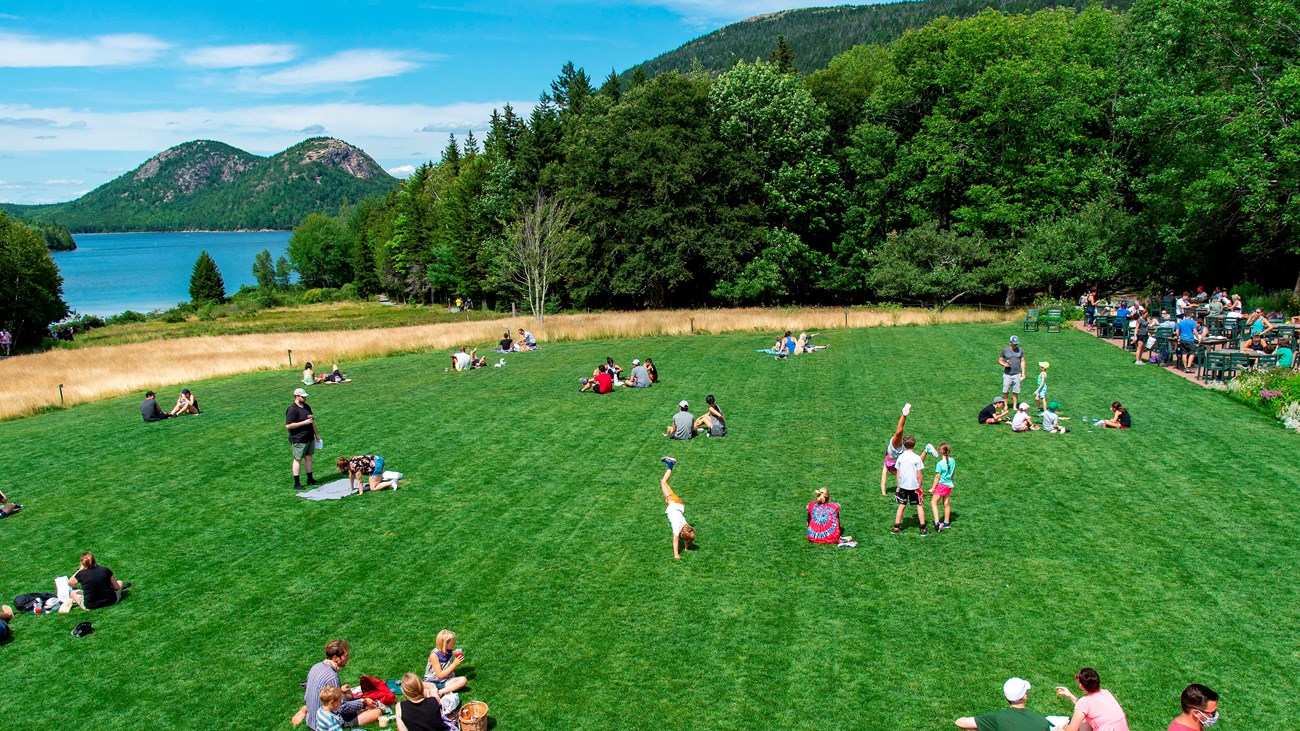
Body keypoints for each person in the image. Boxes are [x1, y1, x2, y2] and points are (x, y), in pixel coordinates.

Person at [301, 640, 383, 731]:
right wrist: (363, 702)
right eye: (346, 655)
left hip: (312, 717)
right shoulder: (332, 677)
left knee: (348, 697)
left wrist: (339, 690)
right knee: (376, 712)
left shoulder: (316, 666)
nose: (348, 658)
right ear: (336, 658)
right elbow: (342, 707)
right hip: (325, 721)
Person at [955, 677, 1052, 730]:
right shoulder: (1041, 721)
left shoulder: (996, 718)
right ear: (1025, 697)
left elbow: (959, 722)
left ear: (1005, 697)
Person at [1054, 667, 1130, 731]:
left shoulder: (1085, 702)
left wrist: (1063, 726)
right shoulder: (1106, 693)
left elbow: (1072, 729)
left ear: (1080, 685)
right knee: (1086, 721)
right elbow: (1087, 708)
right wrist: (1071, 696)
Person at [65, 551, 129, 611]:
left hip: (90, 606)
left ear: (82, 563)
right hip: (111, 600)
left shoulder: (81, 574)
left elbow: (70, 583)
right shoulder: (105, 570)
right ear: (94, 560)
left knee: (73, 592)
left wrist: (80, 569)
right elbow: (116, 587)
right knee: (120, 582)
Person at [658, 457, 695, 559]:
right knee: (663, 482)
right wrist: (676, 555)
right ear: (681, 535)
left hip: (679, 504)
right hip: (672, 500)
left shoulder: (686, 526)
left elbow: (687, 537)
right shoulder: (677, 528)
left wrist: (686, 548)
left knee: (664, 483)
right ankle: (671, 463)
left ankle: (671, 464)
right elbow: (676, 540)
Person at [891, 434, 927, 536]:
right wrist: (920, 486)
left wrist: (899, 483)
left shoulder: (901, 457)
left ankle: (896, 527)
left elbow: (898, 472)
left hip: (903, 485)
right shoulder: (917, 458)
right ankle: (923, 529)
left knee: (901, 505)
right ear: (914, 445)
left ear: (904, 444)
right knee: (919, 505)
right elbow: (919, 474)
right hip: (914, 486)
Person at [286, 388, 320, 491]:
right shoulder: (292, 409)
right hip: (298, 439)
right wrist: (303, 423)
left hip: (309, 437)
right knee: (298, 460)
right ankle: (297, 483)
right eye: (303, 397)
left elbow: (312, 420)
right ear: (297, 397)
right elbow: (288, 425)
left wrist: (316, 434)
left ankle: (310, 479)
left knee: (309, 458)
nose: (305, 398)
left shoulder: (307, 407)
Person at [424, 630, 468, 696]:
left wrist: (457, 660)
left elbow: (447, 665)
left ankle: (439, 692)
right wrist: (454, 664)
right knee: (423, 691)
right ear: (445, 643)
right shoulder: (434, 655)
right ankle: (439, 691)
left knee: (463, 680)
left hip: (446, 680)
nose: (454, 643)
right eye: (452, 642)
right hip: (433, 681)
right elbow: (440, 675)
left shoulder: (449, 650)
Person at [881, 403, 912, 493]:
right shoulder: (899, 468)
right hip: (901, 451)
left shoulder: (886, 465)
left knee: (899, 432)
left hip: (893, 449)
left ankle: (904, 414)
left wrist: (883, 491)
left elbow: (883, 478)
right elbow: (899, 479)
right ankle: (927, 450)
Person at [929, 443, 954, 531]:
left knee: (933, 502)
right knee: (946, 504)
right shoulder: (952, 461)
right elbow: (952, 473)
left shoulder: (940, 464)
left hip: (941, 486)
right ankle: (946, 523)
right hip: (949, 485)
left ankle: (937, 523)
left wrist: (932, 488)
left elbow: (937, 477)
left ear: (940, 451)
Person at [1000, 336, 1027, 409]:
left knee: (1016, 391)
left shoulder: (1020, 350)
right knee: (1006, 391)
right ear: (1010, 342)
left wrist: (1023, 373)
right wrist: (1004, 364)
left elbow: (1022, 361)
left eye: (1016, 344)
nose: (1015, 345)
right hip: (1007, 374)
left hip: (1017, 374)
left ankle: (1015, 406)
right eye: (1014, 344)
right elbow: (1000, 360)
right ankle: (1006, 406)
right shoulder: (1005, 350)